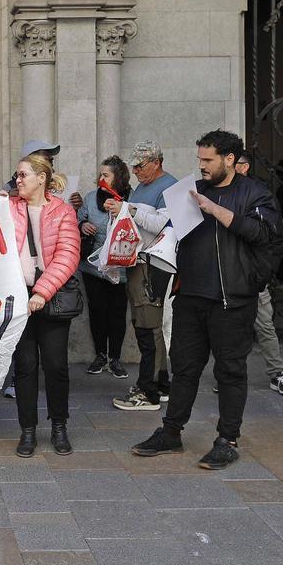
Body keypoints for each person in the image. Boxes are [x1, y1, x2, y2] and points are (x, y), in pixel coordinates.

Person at [132, 130, 282, 470]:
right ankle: (171, 432)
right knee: (183, 367)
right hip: (190, 294)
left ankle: (227, 439)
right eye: (199, 159)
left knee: (230, 371)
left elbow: (265, 235)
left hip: (232, 298)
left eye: (208, 160)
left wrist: (217, 210)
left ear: (229, 159)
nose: (201, 166)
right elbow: (174, 231)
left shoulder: (255, 193)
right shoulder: (193, 190)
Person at [9, 153, 80, 458]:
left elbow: (67, 255)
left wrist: (41, 292)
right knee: (24, 367)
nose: (17, 180)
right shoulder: (7, 207)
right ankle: (27, 431)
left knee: (55, 366)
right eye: (16, 175)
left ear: (42, 178)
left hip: (50, 297)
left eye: (23, 175)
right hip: (19, 296)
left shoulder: (62, 212)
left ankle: (59, 426)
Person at [112, 141, 177, 411]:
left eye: (140, 165)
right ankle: (160, 384)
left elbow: (161, 224)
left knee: (148, 327)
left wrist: (128, 210)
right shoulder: (145, 185)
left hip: (154, 264)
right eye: (134, 166)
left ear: (156, 162)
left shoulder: (169, 186)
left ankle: (148, 392)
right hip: (140, 261)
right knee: (147, 325)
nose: (136, 170)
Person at [235, 150, 283, 397]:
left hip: (254, 273)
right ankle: (229, 374)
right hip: (230, 271)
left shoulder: (259, 193)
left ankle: (277, 373)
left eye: (233, 161)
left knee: (264, 325)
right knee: (230, 328)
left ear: (244, 166)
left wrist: (266, 271)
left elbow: (273, 238)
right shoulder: (218, 191)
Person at [77, 155, 131, 379]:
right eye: (100, 174)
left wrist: (123, 211)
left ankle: (115, 358)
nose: (101, 178)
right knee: (97, 311)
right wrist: (83, 225)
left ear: (118, 177)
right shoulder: (91, 198)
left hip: (121, 269)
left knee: (118, 313)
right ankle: (100, 354)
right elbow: (77, 222)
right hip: (94, 268)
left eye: (106, 175)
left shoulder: (132, 199)